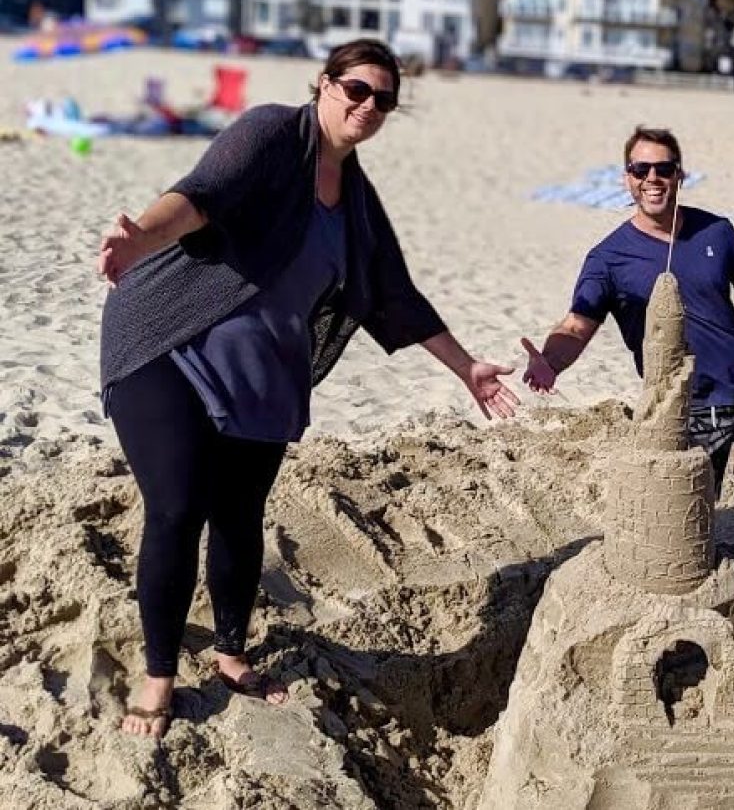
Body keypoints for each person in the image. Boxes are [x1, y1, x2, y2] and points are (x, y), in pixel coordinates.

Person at [97, 39, 519, 738]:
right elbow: (202, 197)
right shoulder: (271, 133)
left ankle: (231, 656)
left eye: (384, 99)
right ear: (323, 85)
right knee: (177, 506)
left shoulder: (356, 199)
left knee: (239, 515)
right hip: (167, 344)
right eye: (357, 89)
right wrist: (140, 235)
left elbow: (394, 294)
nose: (368, 107)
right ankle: (159, 675)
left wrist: (467, 367)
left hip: (262, 375)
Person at [520, 126, 734, 543]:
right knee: (683, 533)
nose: (652, 178)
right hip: (686, 411)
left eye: (663, 168)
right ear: (627, 177)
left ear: (680, 175)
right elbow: (576, 325)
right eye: (640, 168)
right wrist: (551, 361)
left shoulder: (716, 231)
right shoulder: (608, 258)